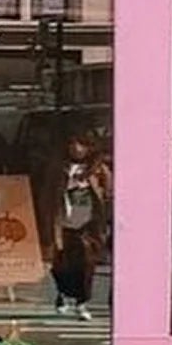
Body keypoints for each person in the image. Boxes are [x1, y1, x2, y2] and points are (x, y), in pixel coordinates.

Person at [52, 131, 110, 319]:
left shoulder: (98, 169)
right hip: (63, 221)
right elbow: (48, 192)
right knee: (60, 263)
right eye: (72, 144)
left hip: (88, 223)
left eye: (81, 144)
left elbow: (109, 192)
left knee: (86, 263)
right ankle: (62, 294)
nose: (76, 148)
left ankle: (82, 302)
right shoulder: (59, 167)